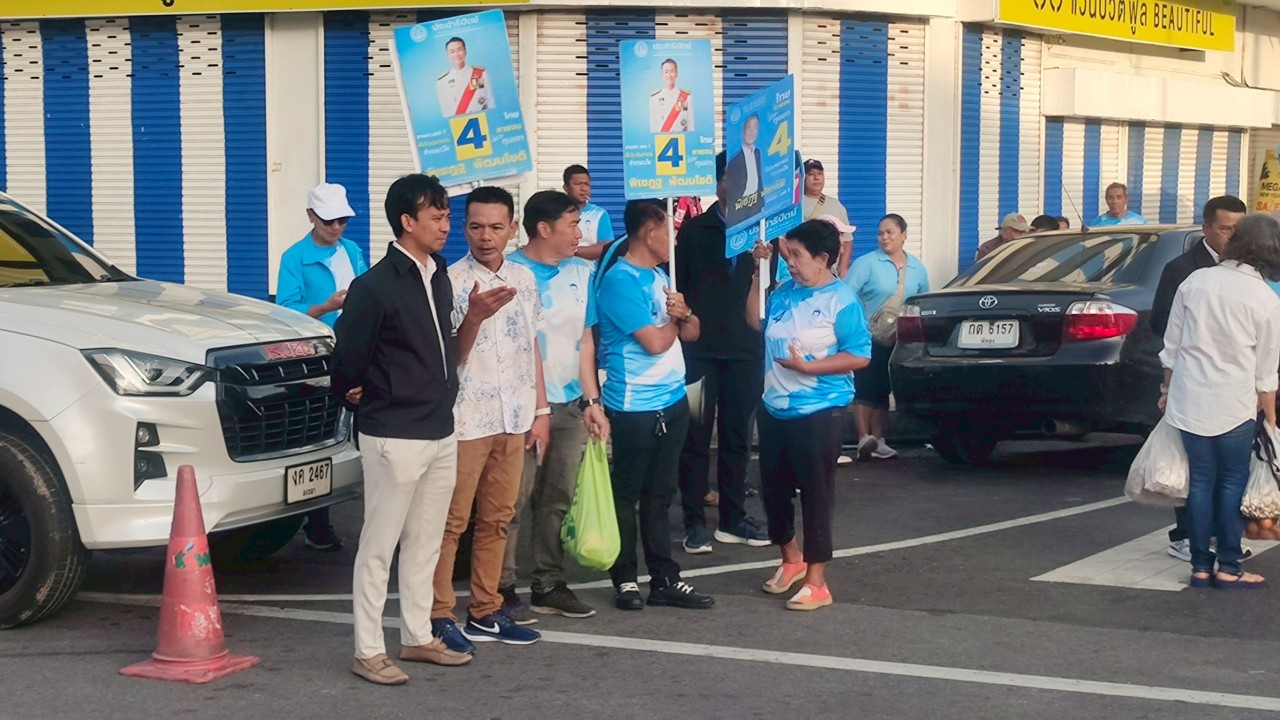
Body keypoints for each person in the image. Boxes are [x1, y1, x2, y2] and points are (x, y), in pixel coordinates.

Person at [331, 174, 472, 686]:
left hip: (439, 427)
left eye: (447, 215)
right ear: (406, 221)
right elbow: (347, 357)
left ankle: (416, 636)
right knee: (379, 545)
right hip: (393, 432)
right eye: (436, 215)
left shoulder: (439, 274)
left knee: (425, 542)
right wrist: (354, 390)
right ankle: (368, 649)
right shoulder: (374, 286)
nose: (446, 224)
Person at [429, 187, 545, 654]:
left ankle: (485, 611)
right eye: (476, 226)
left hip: (513, 415)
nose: (485, 236)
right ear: (463, 228)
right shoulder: (448, 280)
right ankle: (438, 615)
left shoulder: (525, 278)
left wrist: (540, 410)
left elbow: (531, 345)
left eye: (496, 227)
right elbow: (444, 356)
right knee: (450, 522)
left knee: (499, 518)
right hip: (465, 419)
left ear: (512, 229)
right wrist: (473, 318)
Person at [746, 220, 871, 610]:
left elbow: (860, 355)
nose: (791, 263)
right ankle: (791, 559)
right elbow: (754, 321)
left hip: (820, 409)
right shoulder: (783, 291)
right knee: (773, 489)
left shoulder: (842, 300)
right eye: (789, 255)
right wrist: (758, 274)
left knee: (816, 494)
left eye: (797, 256)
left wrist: (809, 368)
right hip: (774, 405)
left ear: (823, 259)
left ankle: (817, 581)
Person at [598, 200, 715, 611]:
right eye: (669, 232)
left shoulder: (662, 275)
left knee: (661, 496)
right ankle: (625, 579)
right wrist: (677, 321)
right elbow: (655, 342)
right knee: (627, 495)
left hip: (672, 401)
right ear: (649, 233)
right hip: (633, 406)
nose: (674, 241)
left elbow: (693, 332)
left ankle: (665, 578)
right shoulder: (619, 281)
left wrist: (685, 313)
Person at [502, 191, 610, 621]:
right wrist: (533, 409)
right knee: (511, 501)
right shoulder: (509, 273)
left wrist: (592, 401)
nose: (580, 234)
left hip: (568, 406)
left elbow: (585, 340)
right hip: (518, 409)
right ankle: (500, 589)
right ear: (543, 229)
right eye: (572, 225)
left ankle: (548, 584)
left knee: (557, 499)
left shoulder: (582, 272)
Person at [1159, 213, 1280, 590]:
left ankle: (1199, 566)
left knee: (1199, 482)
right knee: (1231, 484)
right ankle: (1228, 565)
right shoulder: (1265, 297)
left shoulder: (1195, 281)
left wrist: (1165, 391)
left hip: (1188, 399)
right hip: (1235, 404)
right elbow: (1266, 370)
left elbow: (1171, 347)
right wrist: (1271, 418)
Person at [675, 152, 771, 554]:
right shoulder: (695, 231)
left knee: (736, 439)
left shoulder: (764, 232)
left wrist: (762, 264)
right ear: (719, 183)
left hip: (746, 353)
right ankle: (694, 522)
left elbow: (767, 294)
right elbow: (680, 287)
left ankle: (732, 520)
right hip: (699, 355)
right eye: (736, 178)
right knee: (695, 437)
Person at [1149, 195, 1249, 562]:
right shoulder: (1182, 269)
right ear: (1206, 228)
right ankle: (1187, 536)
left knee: (1227, 470)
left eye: (1239, 229)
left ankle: (1221, 537)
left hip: (1233, 383)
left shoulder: (1247, 270)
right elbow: (1161, 322)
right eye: (1225, 229)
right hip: (1191, 380)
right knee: (1193, 467)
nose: (1233, 237)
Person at [275, 182, 367, 552]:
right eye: (329, 221)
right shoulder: (294, 257)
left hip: (355, 349)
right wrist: (326, 307)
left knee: (361, 432)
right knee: (319, 435)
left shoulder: (352, 250)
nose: (337, 227)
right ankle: (317, 522)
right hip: (318, 355)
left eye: (343, 220)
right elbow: (286, 310)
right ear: (311, 217)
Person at [845, 214, 929, 460]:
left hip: (899, 340)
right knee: (865, 386)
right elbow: (847, 294)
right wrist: (857, 324)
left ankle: (879, 440)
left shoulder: (917, 268)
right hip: (868, 335)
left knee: (883, 388)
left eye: (890, 232)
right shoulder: (867, 263)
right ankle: (863, 438)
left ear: (904, 235)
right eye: (880, 233)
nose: (884, 237)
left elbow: (923, 301)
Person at [802, 159, 853, 278]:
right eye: (811, 174)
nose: (816, 178)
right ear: (803, 177)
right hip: (804, 271)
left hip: (830, 272)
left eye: (820, 174)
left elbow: (848, 239)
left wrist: (843, 267)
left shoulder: (836, 204)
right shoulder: (796, 205)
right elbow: (782, 239)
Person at [564, 165, 616, 261]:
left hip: (590, 269)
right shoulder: (557, 213)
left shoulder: (599, 214)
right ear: (566, 187)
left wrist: (573, 250)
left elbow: (606, 246)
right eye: (578, 184)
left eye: (587, 184)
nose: (583, 188)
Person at [436, 36, 495, 117]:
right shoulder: (442, 81)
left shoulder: (479, 73)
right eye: (452, 52)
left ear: (465, 51)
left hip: (482, 118)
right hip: (459, 122)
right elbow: (446, 112)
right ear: (448, 55)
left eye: (459, 50)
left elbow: (490, 101)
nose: (457, 54)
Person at [725, 114, 764, 227]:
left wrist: (762, 202)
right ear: (743, 131)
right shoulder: (734, 161)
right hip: (739, 209)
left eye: (755, 127)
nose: (752, 132)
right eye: (749, 127)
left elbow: (758, 178)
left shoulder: (757, 153)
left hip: (755, 207)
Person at [648, 58, 693, 133]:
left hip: (681, 138)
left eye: (672, 71)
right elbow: (653, 127)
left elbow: (690, 124)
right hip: (662, 139)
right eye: (666, 72)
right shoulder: (654, 98)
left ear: (676, 73)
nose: (669, 75)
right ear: (662, 74)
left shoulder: (685, 97)